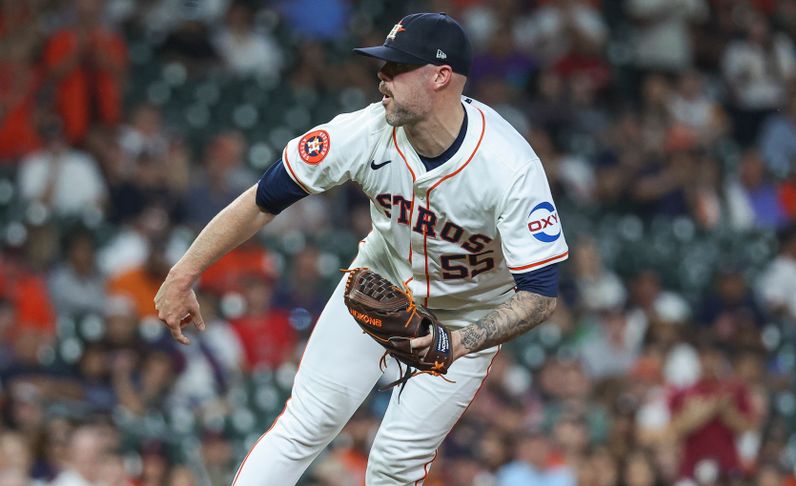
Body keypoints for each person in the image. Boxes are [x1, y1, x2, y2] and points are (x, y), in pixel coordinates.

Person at [154, 12, 568, 485]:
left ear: (440, 77)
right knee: (306, 424)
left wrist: (457, 344)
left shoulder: (509, 168)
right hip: (379, 285)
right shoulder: (365, 132)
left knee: (394, 463)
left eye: (396, 68)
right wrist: (184, 271)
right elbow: (262, 200)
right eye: (382, 66)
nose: (382, 78)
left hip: (468, 318)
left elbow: (540, 295)